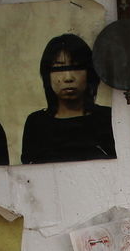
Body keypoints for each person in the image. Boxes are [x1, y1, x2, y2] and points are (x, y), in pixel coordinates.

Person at [19, 33, 116, 164]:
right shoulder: (36, 123)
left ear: (89, 73)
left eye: (77, 67)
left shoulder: (108, 118)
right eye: (59, 68)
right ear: (48, 75)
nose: (68, 77)